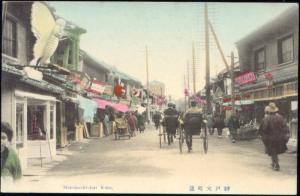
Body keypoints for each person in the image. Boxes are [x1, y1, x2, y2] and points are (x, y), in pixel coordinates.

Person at [258, 102, 289, 171]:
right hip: (280, 138)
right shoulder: (280, 117)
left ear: (268, 111)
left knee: (273, 151)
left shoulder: (266, 119)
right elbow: (285, 127)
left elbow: (263, 129)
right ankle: (273, 163)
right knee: (274, 151)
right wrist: (285, 136)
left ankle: (276, 164)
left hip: (270, 138)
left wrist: (262, 135)